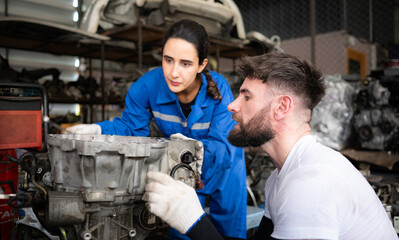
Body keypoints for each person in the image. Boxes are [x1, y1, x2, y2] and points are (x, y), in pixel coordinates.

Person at [142, 52, 399, 240]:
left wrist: (193, 221)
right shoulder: (281, 176)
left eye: (247, 96)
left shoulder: (311, 183)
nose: (232, 105)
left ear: (282, 107)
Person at [66, 19, 247, 240]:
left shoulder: (220, 90)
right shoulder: (146, 86)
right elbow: (131, 128)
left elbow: (223, 145)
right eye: (168, 60)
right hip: (179, 167)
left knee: (228, 232)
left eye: (185, 64)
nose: (173, 72)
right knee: (183, 230)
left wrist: (197, 148)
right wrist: (98, 129)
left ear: (202, 65)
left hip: (224, 171)